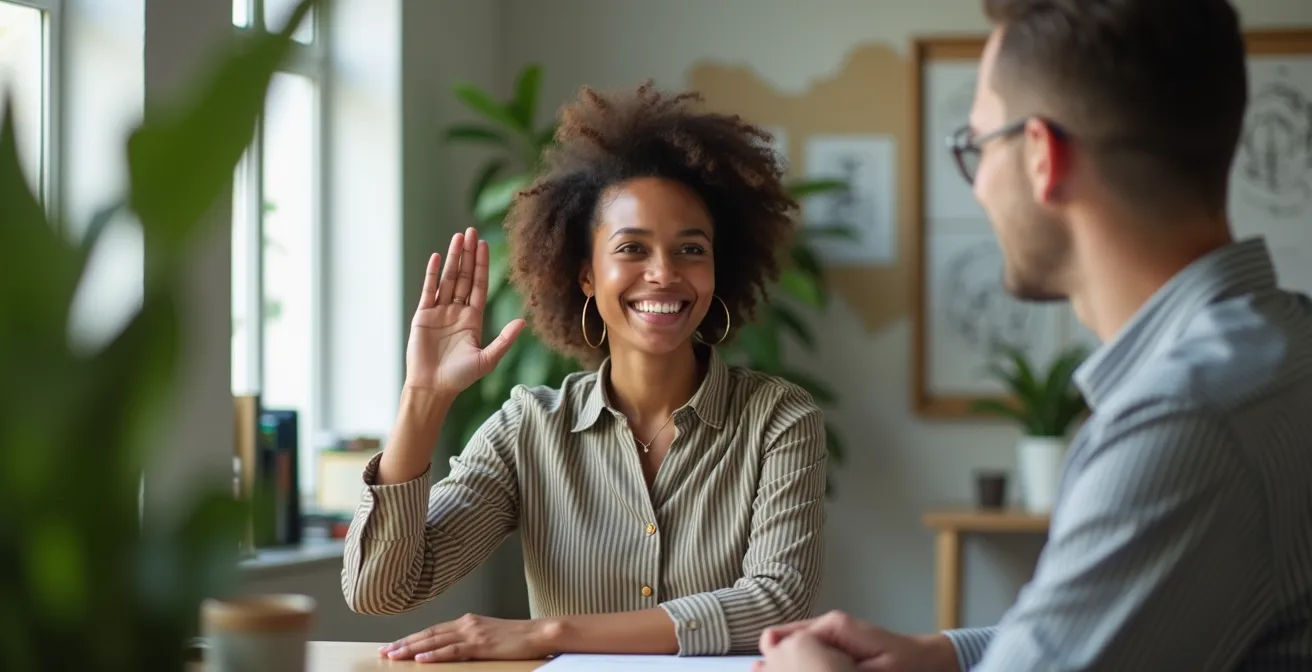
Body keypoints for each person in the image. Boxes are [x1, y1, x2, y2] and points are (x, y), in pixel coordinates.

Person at [759, 0, 1312, 670]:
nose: (980, 188)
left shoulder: (1186, 423)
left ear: (1043, 156)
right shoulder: (1282, 345)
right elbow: (1153, 619)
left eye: (977, 147)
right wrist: (943, 654)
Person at [341, 81, 828, 663]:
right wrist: (424, 396)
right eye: (632, 248)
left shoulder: (779, 420)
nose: (664, 273)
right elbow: (380, 590)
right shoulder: (530, 429)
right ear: (586, 275)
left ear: (719, 269)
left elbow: (776, 603)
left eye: (691, 249)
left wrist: (552, 634)